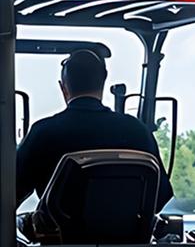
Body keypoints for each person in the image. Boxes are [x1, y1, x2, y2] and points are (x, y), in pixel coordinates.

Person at [15, 49, 173, 209]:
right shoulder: (137, 131)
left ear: (63, 87)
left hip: (62, 234)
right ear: (103, 80)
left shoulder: (43, 133)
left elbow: (12, 192)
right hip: (127, 233)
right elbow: (161, 196)